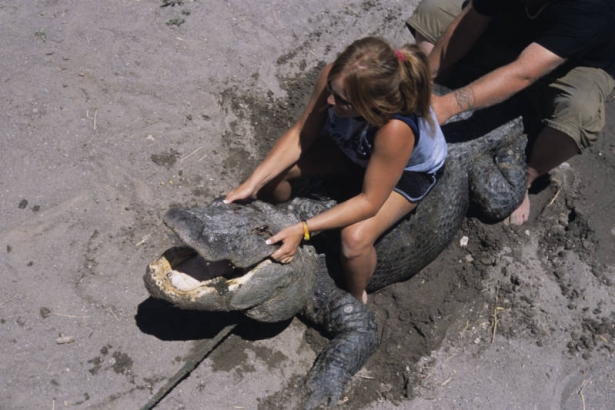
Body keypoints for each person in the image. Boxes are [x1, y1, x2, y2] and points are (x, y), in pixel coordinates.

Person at [224, 37, 447, 303]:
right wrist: (254, 182)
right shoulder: (336, 77)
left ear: (373, 107)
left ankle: (356, 295)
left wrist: (304, 229)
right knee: (270, 179)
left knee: (354, 240)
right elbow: (301, 134)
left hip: (407, 170)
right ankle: (277, 222)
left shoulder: (395, 130)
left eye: (341, 100)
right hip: (357, 149)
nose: (329, 101)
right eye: (331, 90)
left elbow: (370, 201)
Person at [406, 0, 615, 225]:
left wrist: (447, 106)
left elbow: (524, 72)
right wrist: (427, 81)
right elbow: (471, 22)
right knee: (435, 10)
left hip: (575, 61)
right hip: (518, 27)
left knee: (581, 111)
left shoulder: (595, 6)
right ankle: (438, 87)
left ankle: (526, 177)